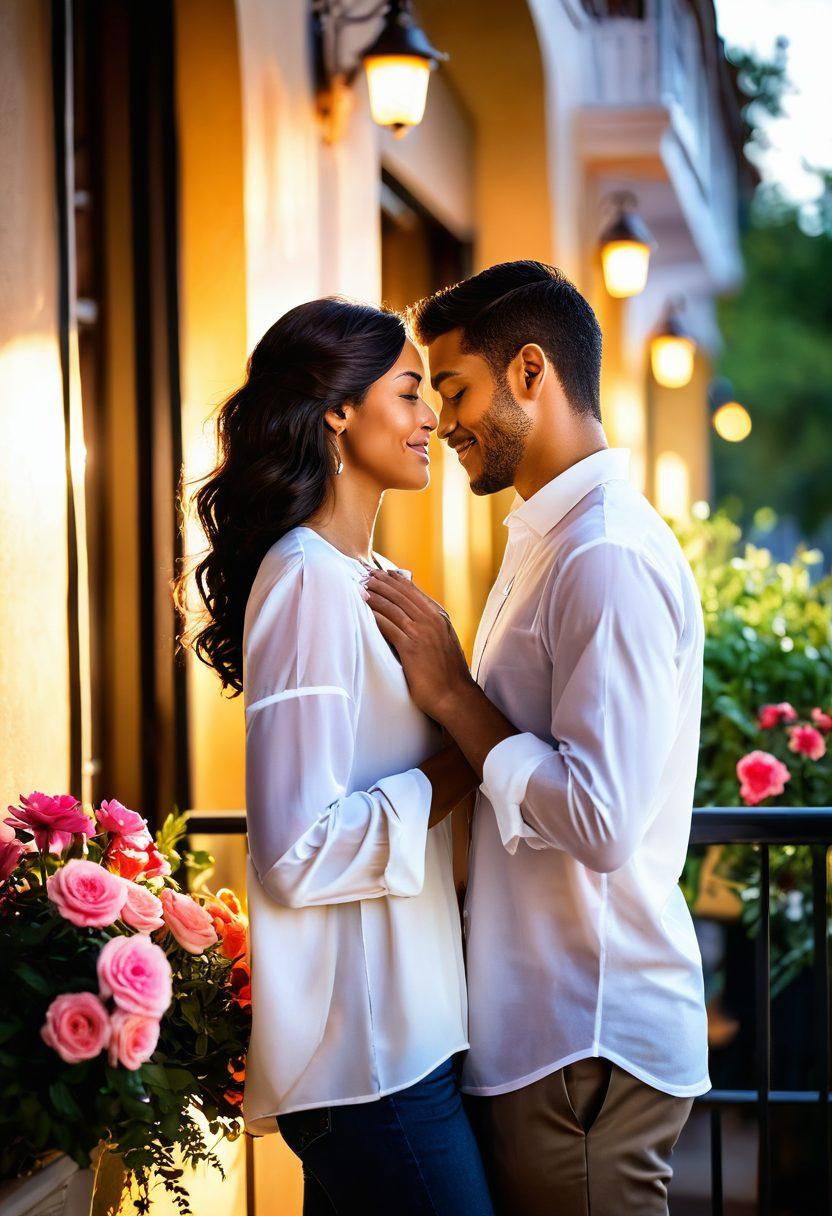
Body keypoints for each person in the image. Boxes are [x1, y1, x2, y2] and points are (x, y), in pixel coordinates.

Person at [363, 260, 711, 1216]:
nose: (440, 418)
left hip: (586, 1045)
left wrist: (450, 691)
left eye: (454, 387)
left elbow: (600, 821)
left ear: (529, 372)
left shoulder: (603, 556)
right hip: (546, 1037)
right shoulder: (550, 539)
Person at [180, 297, 495, 1215]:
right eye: (408, 392)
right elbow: (294, 850)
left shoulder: (370, 581)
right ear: (337, 412)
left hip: (409, 1044)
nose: (433, 415)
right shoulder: (309, 582)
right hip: (370, 1064)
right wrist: (461, 761)